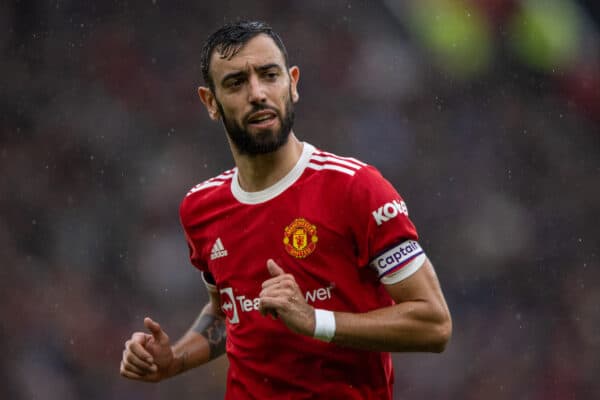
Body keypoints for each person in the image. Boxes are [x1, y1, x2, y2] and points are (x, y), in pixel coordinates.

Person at [119, 20, 452, 399]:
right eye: (235, 83)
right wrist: (174, 360)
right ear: (210, 103)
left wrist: (314, 321)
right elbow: (231, 312)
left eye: (269, 75)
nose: (257, 93)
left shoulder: (355, 188)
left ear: (293, 84)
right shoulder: (201, 208)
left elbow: (434, 324)